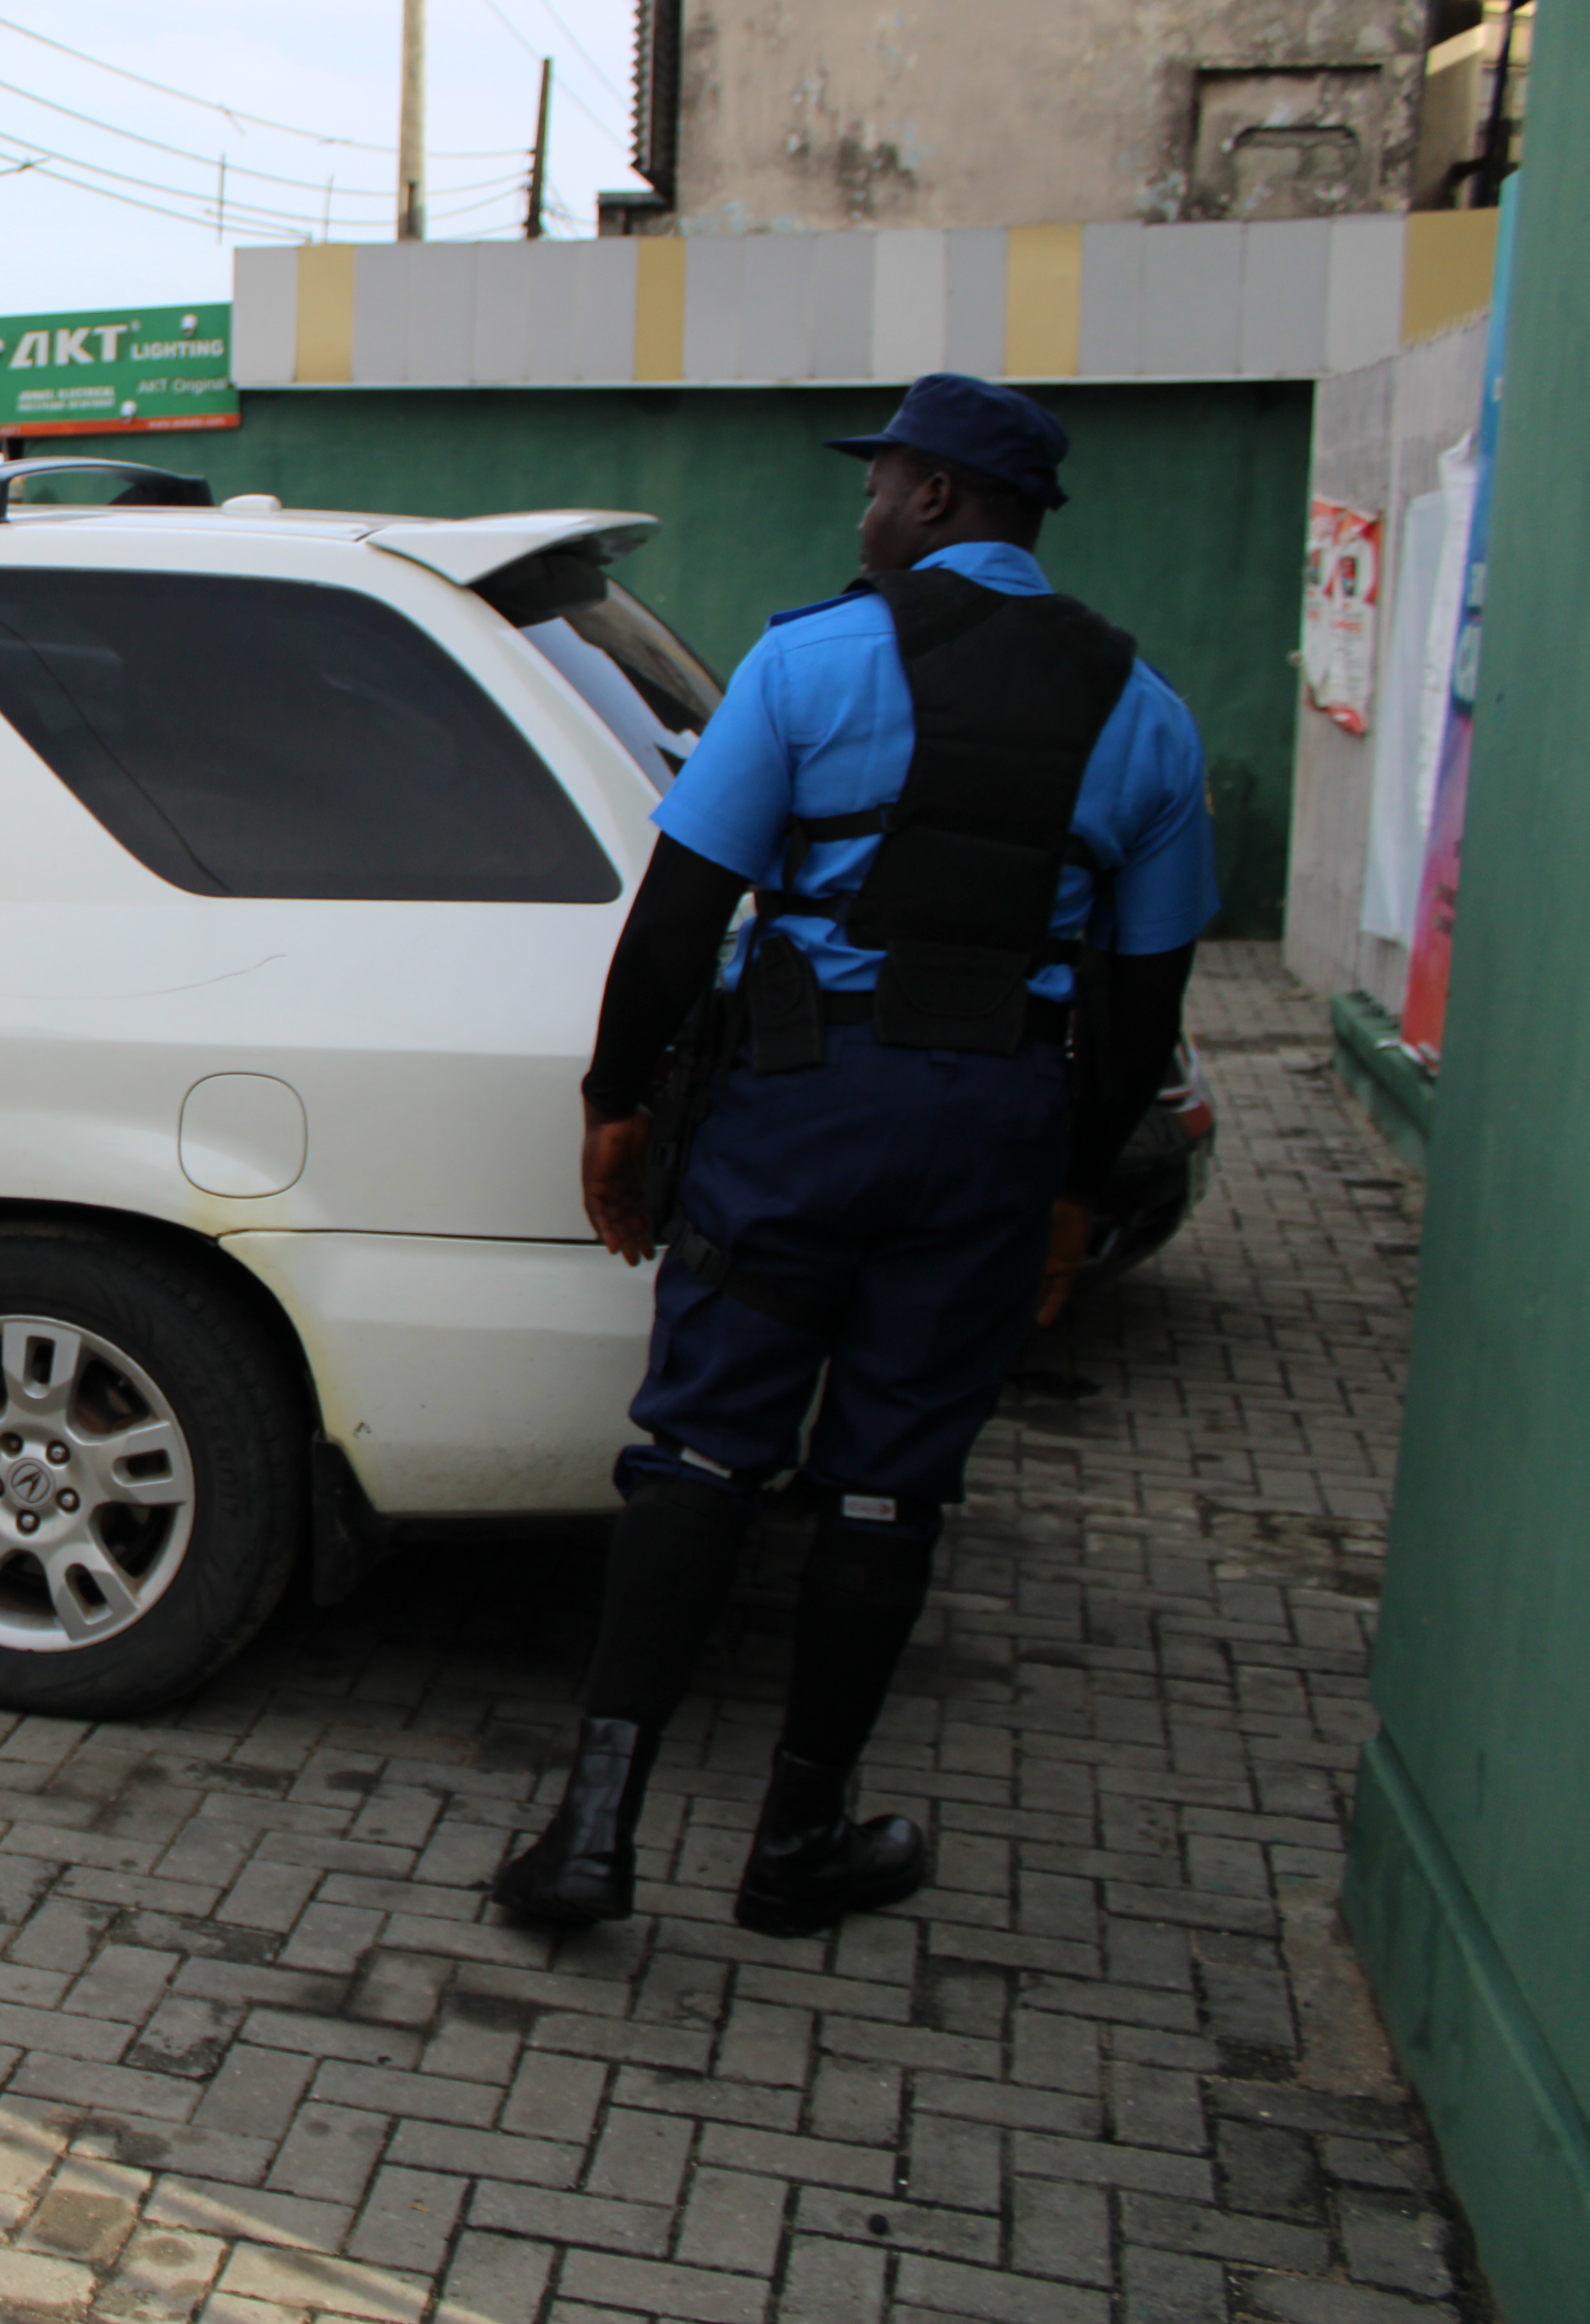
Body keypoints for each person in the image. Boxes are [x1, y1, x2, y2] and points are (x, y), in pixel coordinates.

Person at [491, 373, 1216, 1939]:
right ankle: (799, 1843)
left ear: (939, 496)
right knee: (890, 1489)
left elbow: (680, 913)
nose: (869, 507)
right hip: (994, 1133)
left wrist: (617, 1102)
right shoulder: (1147, 712)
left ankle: (591, 1838)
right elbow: (1141, 1000)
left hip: (803, 1112)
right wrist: (1071, 1189)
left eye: (884, 482)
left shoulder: (810, 659)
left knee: (699, 1454)